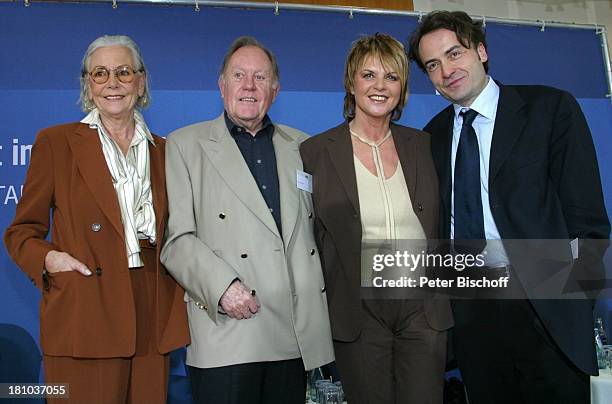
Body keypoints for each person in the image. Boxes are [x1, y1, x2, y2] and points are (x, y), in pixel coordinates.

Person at [408, 11, 610, 404]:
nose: (446, 70)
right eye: (433, 64)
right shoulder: (430, 137)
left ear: (481, 50)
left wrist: (572, 307)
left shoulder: (549, 109)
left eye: (454, 54)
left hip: (547, 314)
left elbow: (589, 222)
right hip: (473, 319)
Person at [3, 35, 189, 403]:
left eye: (123, 72)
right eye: (100, 74)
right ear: (88, 84)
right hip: (86, 310)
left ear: (141, 81)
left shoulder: (168, 151)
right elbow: (21, 232)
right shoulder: (57, 143)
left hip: (152, 313)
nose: (112, 83)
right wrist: (50, 260)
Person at [161, 36, 334, 404]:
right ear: (222, 85)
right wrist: (222, 287)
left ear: (275, 89)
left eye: (260, 77)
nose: (249, 86)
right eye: (239, 75)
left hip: (295, 335)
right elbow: (177, 239)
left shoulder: (303, 146)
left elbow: (320, 233)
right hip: (228, 330)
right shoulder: (184, 145)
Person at [300, 33, 453, 404]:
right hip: (357, 308)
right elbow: (307, 238)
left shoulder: (424, 144)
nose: (380, 86)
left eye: (392, 77)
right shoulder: (315, 152)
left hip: (422, 307)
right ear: (351, 83)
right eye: (369, 75)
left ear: (402, 89)